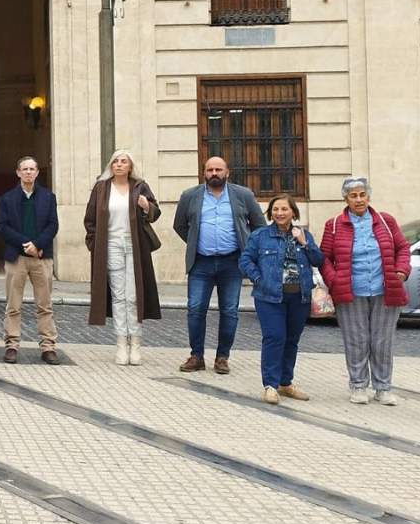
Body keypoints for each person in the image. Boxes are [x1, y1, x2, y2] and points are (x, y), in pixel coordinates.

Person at [321, 177, 411, 405]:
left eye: (362, 195)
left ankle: (383, 388)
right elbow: (324, 259)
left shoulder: (385, 221)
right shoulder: (333, 224)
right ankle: (359, 386)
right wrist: (334, 280)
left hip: (385, 289)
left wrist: (401, 270)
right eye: (353, 196)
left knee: (383, 341)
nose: (359, 199)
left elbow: (403, 248)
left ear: (369, 197)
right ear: (346, 199)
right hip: (351, 291)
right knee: (356, 340)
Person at [172, 156, 265, 374]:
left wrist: (247, 248)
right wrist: (196, 241)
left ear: (227, 172)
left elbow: (259, 225)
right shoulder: (190, 196)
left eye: (219, 169)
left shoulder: (243, 195)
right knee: (195, 309)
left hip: (232, 263)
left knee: (230, 310)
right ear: (204, 173)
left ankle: (222, 357)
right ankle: (196, 356)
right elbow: (179, 225)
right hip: (200, 262)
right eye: (210, 169)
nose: (214, 173)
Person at [239, 195, 322, 404]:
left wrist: (305, 243)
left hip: (299, 296)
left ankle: (286, 382)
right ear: (270, 213)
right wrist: (258, 279)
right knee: (274, 337)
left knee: (291, 340)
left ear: (293, 212)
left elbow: (318, 259)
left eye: (284, 209)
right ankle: (270, 385)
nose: (280, 213)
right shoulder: (260, 236)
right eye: (275, 209)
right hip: (269, 297)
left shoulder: (304, 235)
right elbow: (245, 260)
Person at [84, 150, 162, 365]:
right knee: (118, 296)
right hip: (111, 245)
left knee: (133, 295)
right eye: (115, 161)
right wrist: (94, 244)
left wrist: (147, 207)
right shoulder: (101, 188)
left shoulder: (140, 186)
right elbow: (89, 219)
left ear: (130, 166)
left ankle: (135, 344)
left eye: (123, 161)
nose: (119, 165)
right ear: (111, 165)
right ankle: (120, 344)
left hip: (135, 245)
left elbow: (155, 212)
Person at [0, 156, 59, 365]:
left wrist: (38, 245)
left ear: (37, 173)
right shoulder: (7, 198)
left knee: (45, 304)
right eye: (25, 169)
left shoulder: (48, 197)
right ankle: (12, 345)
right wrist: (26, 244)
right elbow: (3, 227)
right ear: (18, 172)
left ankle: (48, 346)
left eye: (32, 169)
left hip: (42, 258)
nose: (29, 172)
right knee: (13, 305)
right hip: (17, 258)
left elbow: (53, 225)